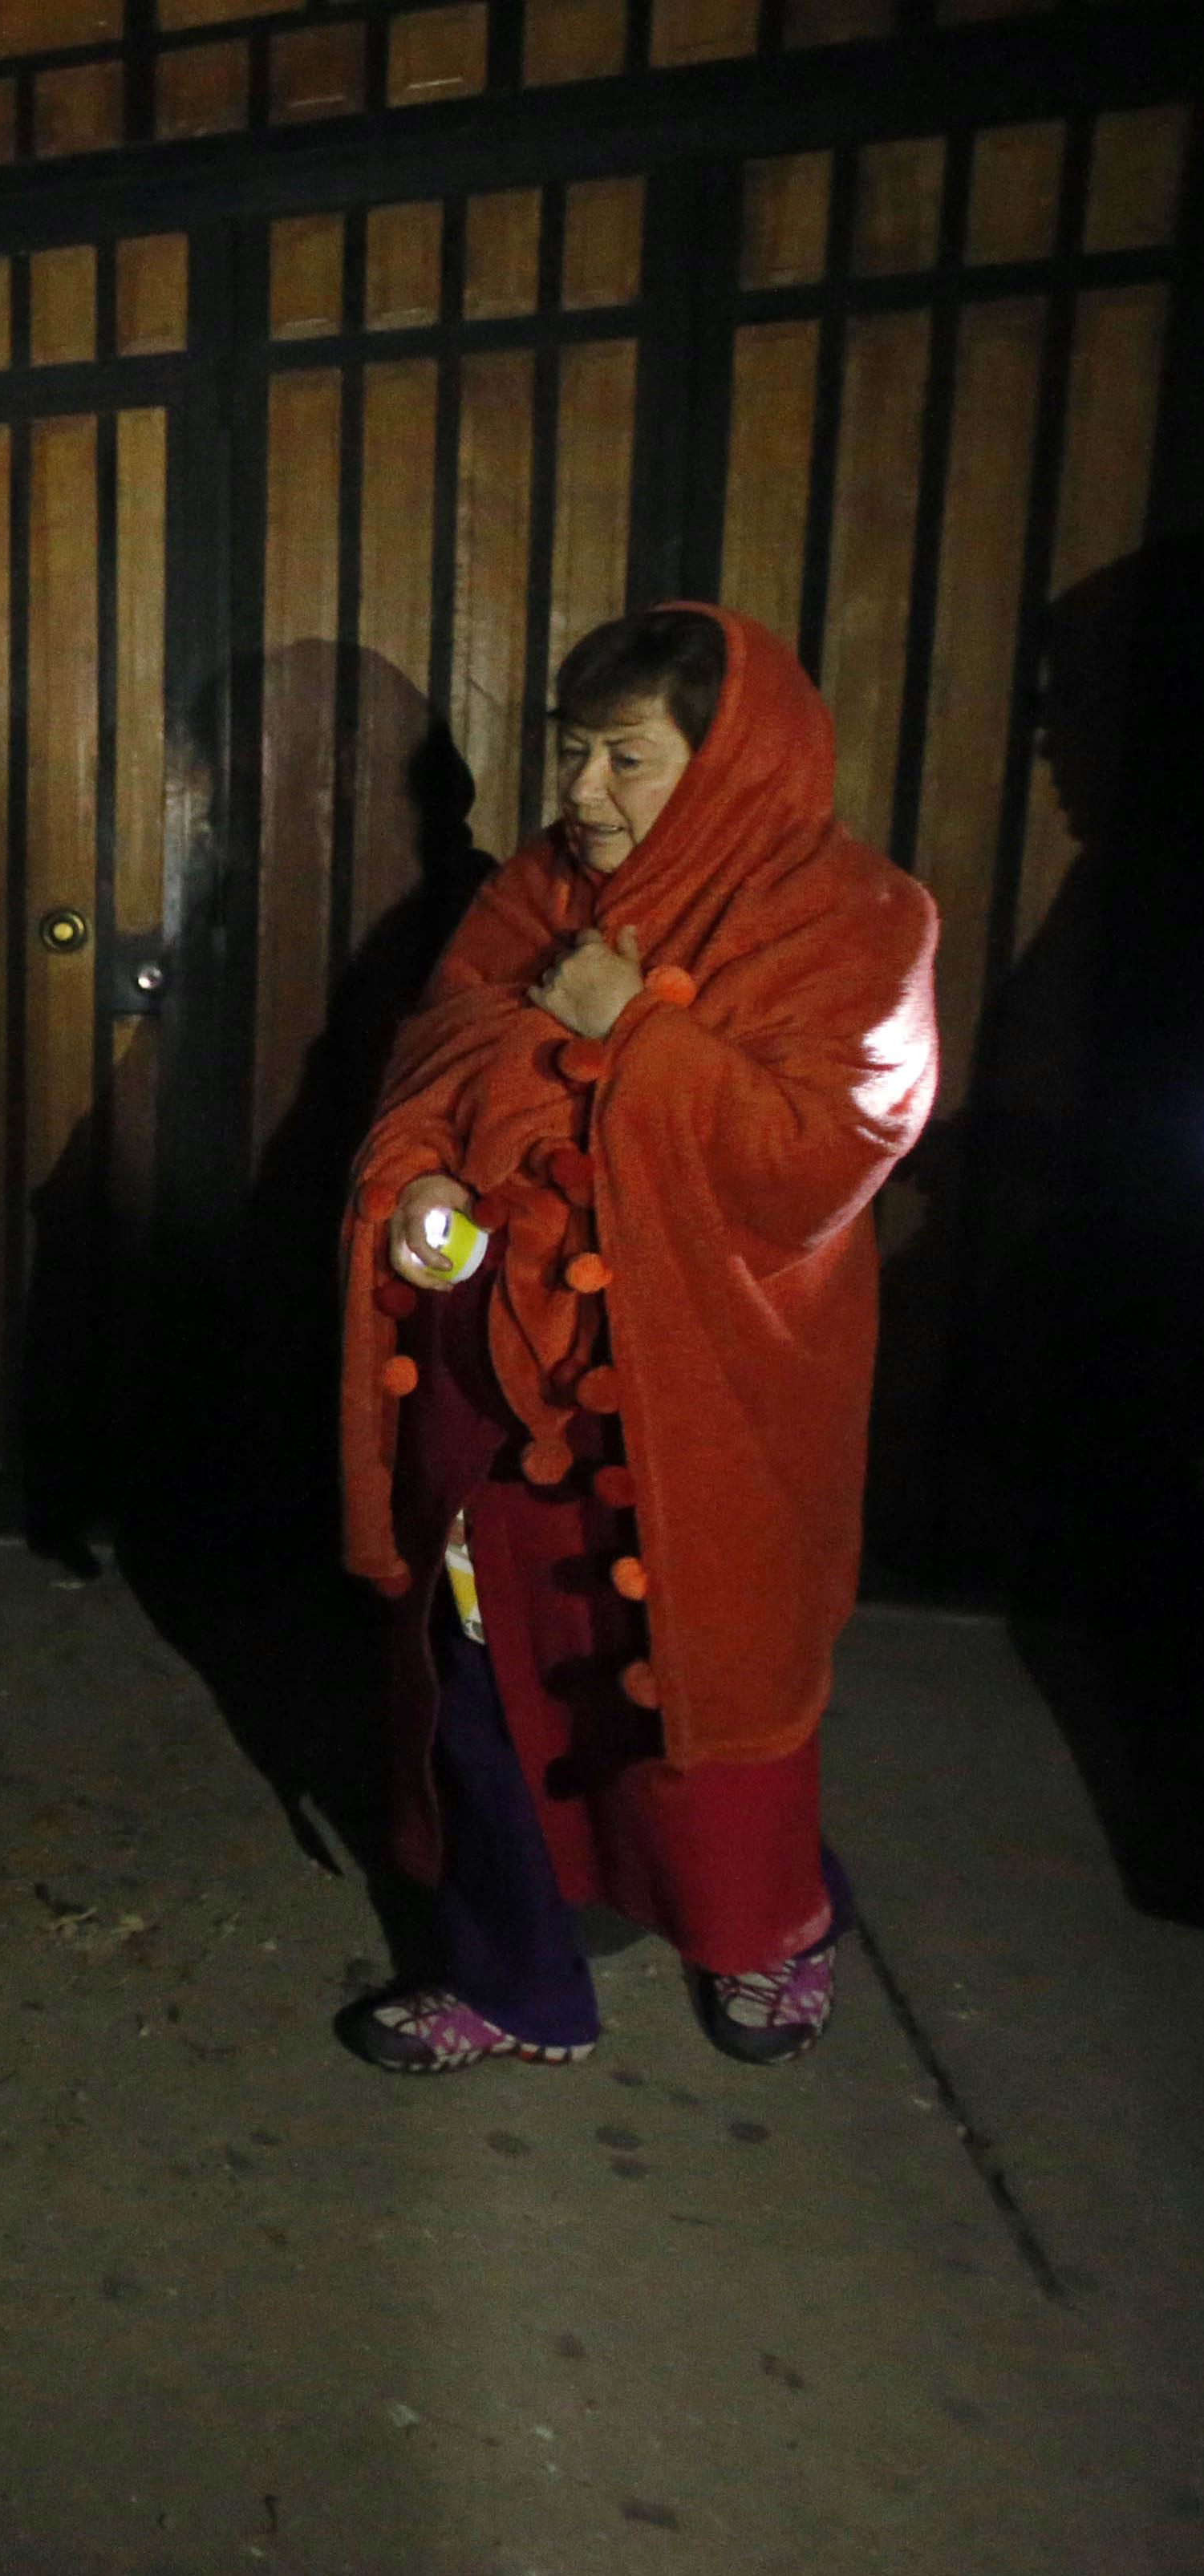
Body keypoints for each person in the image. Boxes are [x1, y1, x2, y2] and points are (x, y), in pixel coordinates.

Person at [331, 604, 941, 2072]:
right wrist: (418, 1170)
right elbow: (441, 1049)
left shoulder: (854, 917)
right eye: (569, 754)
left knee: (700, 1676)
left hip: (705, 1390)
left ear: (731, 766)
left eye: (628, 760)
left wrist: (638, 1037)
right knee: (488, 1671)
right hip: (497, 1366)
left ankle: (766, 1929)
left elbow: (825, 1148)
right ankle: (512, 1979)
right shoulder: (533, 890)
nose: (582, 798)